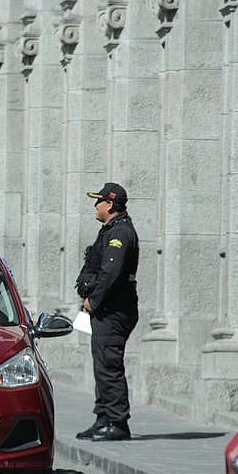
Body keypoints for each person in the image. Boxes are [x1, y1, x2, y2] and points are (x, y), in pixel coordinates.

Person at [75, 182, 139, 442]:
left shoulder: (120, 233)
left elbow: (111, 273)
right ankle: (103, 418)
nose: (95, 206)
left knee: (109, 365)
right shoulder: (110, 230)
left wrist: (94, 301)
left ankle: (117, 422)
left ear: (110, 204)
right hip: (107, 311)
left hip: (114, 310)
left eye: (98, 201)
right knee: (101, 364)